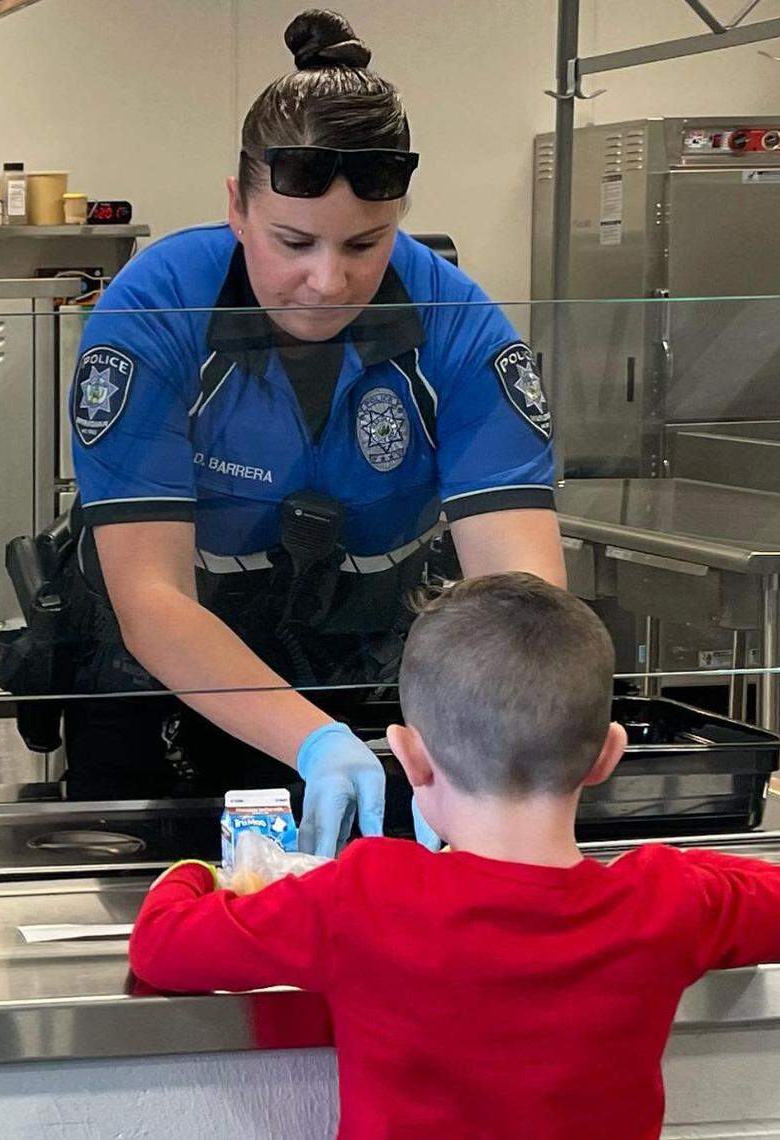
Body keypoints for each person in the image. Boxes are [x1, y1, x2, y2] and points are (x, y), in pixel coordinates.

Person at [63, 9, 566, 853]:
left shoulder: (459, 322)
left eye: (366, 244)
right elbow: (151, 597)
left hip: (371, 670)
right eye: (292, 241)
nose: (327, 281)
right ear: (235, 205)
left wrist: (502, 765)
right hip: (156, 683)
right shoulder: (153, 309)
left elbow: (525, 601)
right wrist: (313, 743)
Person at [128, 572, 780, 1140]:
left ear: (409, 756)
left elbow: (163, 948)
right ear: (607, 756)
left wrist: (200, 873)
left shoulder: (367, 893)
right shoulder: (664, 899)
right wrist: (670, 867)